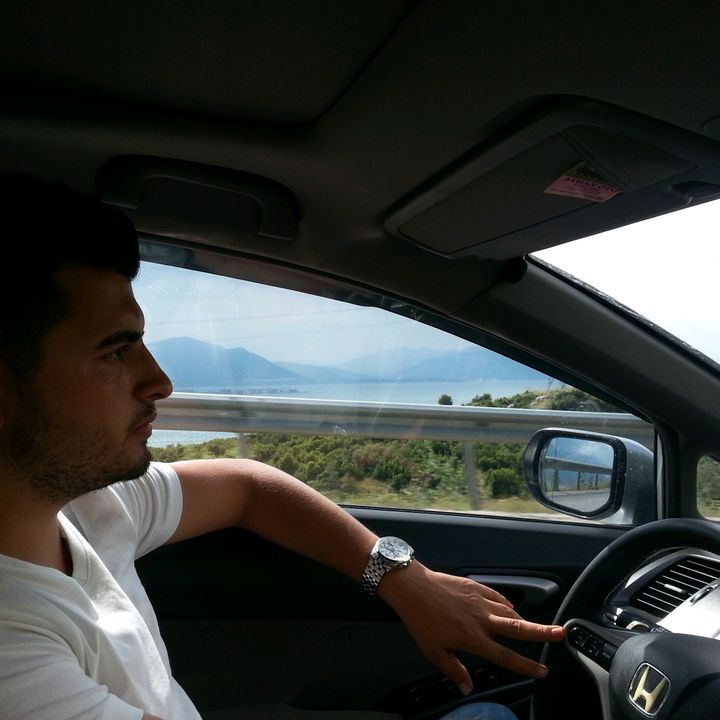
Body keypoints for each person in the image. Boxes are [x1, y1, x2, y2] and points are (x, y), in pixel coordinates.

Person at [0, 173, 564, 720]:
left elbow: (247, 485)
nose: (160, 382)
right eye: (114, 352)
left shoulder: (86, 505)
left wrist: (402, 578)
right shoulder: (11, 656)